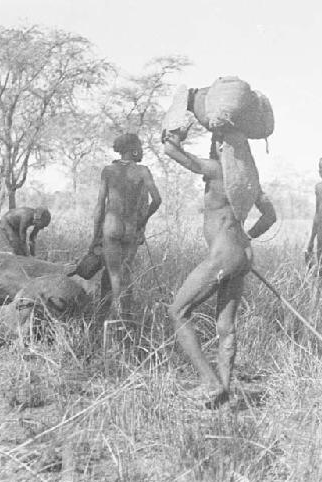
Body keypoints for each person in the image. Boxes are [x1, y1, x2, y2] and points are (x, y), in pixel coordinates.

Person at [163, 128, 276, 408]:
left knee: (177, 311)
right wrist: (246, 236)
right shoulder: (248, 180)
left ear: (223, 147)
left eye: (216, 143)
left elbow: (170, 151)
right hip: (243, 255)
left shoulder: (216, 169)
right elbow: (270, 216)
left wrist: (177, 133)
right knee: (226, 325)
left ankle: (210, 382)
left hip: (225, 253)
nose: (213, 147)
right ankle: (224, 390)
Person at [90, 133, 161, 332]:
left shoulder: (108, 171)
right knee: (126, 273)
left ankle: (112, 319)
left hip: (110, 227)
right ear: (134, 150)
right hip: (130, 228)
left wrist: (94, 237)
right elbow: (157, 200)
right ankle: (124, 319)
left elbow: (99, 207)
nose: (142, 151)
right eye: (140, 147)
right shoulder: (143, 171)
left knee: (114, 274)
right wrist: (142, 222)